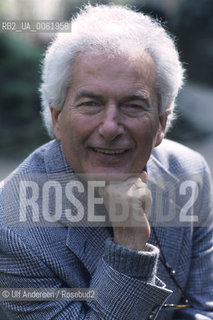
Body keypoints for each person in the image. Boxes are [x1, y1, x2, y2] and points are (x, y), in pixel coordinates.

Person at [0, 4, 213, 320]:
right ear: (57, 118)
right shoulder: (12, 230)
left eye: (133, 105)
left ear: (162, 124)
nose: (110, 127)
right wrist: (129, 247)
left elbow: (201, 309)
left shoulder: (189, 173)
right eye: (91, 104)